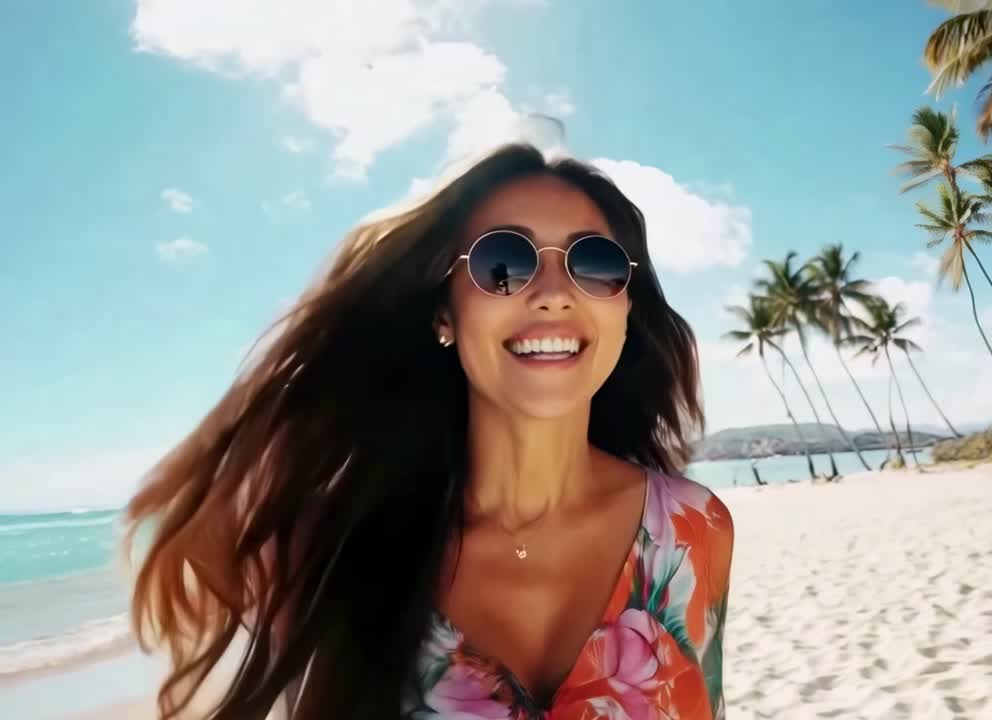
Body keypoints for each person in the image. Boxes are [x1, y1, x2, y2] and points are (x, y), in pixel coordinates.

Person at [122, 143, 735, 720]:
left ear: (625, 307)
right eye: (504, 264)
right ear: (444, 312)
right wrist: (334, 324)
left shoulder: (693, 530)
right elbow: (200, 525)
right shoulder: (335, 544)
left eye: (594, 264)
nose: (554, 293)